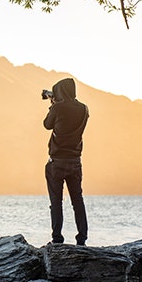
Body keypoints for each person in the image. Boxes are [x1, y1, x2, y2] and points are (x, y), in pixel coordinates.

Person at [43, 77, 89, 245]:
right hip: (75, 161)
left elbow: (47, 124)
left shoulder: (58, 108)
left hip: (57, 162)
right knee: (78, 201)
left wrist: (53, 104)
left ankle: (57, 239)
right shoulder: (84, 109)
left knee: (56, 202)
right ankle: (82, 240)